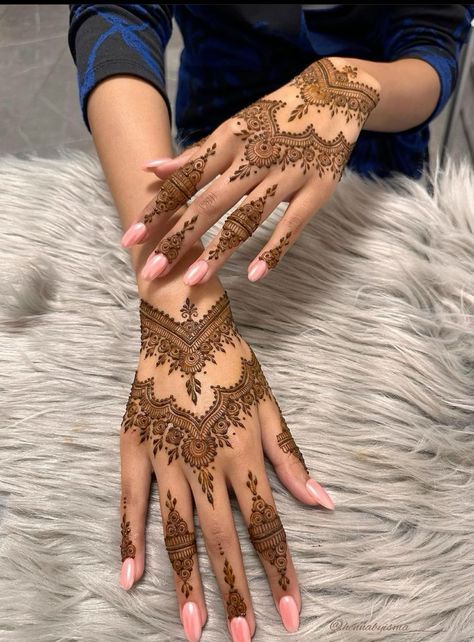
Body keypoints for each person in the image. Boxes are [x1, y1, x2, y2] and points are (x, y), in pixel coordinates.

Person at [67, 5, 474, 642]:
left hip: (378, 170)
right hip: (216, 154)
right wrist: (174, 289)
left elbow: (431, 44)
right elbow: (116, 16)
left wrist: (349, 85)